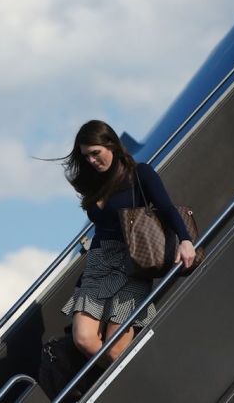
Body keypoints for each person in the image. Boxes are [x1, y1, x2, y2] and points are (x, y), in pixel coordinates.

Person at [59, 120, 196, 367]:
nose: (91, 160)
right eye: (86, 156)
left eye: (95, 153)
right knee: (84, 338)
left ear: (111, 145)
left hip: (132, 263)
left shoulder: (139, 173)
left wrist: (185, 240)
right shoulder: (94, 184)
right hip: (99, 264)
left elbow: (166, 207)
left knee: (115, 348)